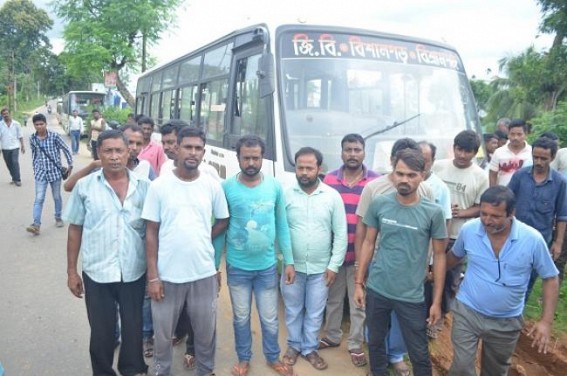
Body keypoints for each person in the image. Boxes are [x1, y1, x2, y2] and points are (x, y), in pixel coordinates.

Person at [142, 126, 229, 376]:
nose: (193, 152)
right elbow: (151, 231)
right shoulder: (159, 186)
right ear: (176, 148)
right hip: (167, 277)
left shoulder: (211, 186)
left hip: (202, 274)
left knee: (205, 333)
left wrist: (202, 237)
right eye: (188, 147)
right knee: (162, 336)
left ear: (204, 152)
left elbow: (222, 220)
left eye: (198, 148)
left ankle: (206, 371)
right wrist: (153, 277)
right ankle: (161, 371)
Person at [446, 186, 559, 375]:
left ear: (511, 214)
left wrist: (546, 322)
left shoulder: (532, 239)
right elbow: (453, 257)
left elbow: (550, 278)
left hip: (506, 321)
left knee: (495, 371)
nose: (487, 221)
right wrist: (432, 273)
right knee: (461, 367)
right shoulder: (470, 229)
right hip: (468, 311)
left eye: (495, 216)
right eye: (483, 213)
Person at [63, 129, 149, 376]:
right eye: (108, 151)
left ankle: (131, 369)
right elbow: (75, 229)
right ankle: (102, 371)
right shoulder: (85, 187)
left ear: (128, 152)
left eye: (119, 150)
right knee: (102, 331)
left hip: (133, 270)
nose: (114, 157)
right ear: (98, 153)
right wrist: (71, 272)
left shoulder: (145, 187)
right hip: (97, 271)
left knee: (133, 327)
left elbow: (153, 231)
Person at [354, 149, 447, 376]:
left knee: (418, 353)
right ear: (393, 173)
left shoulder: (433, 212)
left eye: (411, 175)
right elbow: (368, 242)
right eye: (400, 173)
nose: (404, 179)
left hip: (411, 295)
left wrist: (436, 302)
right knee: (375, 343)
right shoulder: (379, 204)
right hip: (378, 288)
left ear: (422, 175)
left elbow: (440, 256)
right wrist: (359, 283)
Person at [222, 135, 296, 376]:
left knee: (270, 318)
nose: (251, 162)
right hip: (237, 267)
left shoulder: (274, 187)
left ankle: (273, 357)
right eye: (246, 158)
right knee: (241, 317)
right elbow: (220, 229)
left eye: (256, 157)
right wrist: (214, 267)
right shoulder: (227, 188)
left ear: (262, 158)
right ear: (238, 158)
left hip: (266, 267)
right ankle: (244, 359)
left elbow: (282, 225)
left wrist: (289, 261)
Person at [280, 147, 347, 371]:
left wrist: (334, 265)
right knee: (293, 309)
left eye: (310, 168)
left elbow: (341, 234)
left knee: (316, 311)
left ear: (319, 169)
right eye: (300, 168)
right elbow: (280, 232)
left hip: (321, 269)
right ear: (296, 169)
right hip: (292, 268)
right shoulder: (286, 195)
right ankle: (293, 346)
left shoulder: (332, 196)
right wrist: (286, 261)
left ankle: (309, 348)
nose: (305, 172)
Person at [319, 133, 380, 368]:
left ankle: (355, 343)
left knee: (358, 303)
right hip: (334, 254)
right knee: (333, 300)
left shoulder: (375, 182)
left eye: (357, 150)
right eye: (348, 150)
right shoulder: (329, 180)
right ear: (341, 152)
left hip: (362, 255)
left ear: (364, 152)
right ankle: (332, 335)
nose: (352, 154)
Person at [431, 130, 489, 328]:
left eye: (468, 151)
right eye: (460, 149)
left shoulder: (480, 177)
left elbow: (483, 207)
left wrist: (462, 212)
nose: (463, 155)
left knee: (449, 278)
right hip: (431, 233)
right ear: (453, 148)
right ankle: (423, 311)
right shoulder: (439, 166)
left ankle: (439, 319)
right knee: (425, 273)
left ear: (475, 153)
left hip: (457, 236)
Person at [507, 136, 567, 300]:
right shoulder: (520, 176)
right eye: (536, 157)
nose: (539, 162)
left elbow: (562, 215)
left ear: (553, 158)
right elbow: (507, 201)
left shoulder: (559, 182)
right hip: (514, 236)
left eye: (544, 158)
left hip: (540, 240)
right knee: (509, 274)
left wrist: (558, 242)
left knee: (530, 279)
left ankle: (517, 312)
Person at [418, 141, 452, 338]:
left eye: (426, 160)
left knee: (427, 291)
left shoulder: (440, 188)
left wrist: (435, 258)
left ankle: (428, 326)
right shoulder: (402, 182)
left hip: (430, 249)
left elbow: (446, 222)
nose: (422, 163)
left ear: (432, 161)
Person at [26, 113, 73, 235]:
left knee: (56, 196)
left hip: (55, 173)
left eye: (41, 124)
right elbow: (34, 155)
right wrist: (35, 169)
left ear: (46, 124)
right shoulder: (33, 138)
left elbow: (66, 149)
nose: (39, 126)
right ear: (34, 125)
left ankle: (58, 217)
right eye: (36, 124)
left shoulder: (54, 136)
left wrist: (70, 165)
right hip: (40, 173)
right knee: (39, 199)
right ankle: (36, 224)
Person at [489, 118, 532, 187]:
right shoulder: (498, 152)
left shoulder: (532, 152)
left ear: (526, 134)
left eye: (519, 134)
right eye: (512, 134)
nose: (515, 138)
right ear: (508, 134)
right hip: (503, 195)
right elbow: (492, 175)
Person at [0, 107, 25, 186]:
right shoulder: (0, 125)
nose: (6, 115)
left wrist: (22, 145)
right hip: (5, 147)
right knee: (9, 164)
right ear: (2, 115)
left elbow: (20, 135)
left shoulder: (16, 124)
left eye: (7, 113)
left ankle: (18, 179)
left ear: (10, 114)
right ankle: (14, 177)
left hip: (15, 147)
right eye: (4, 114)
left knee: (15, 162)